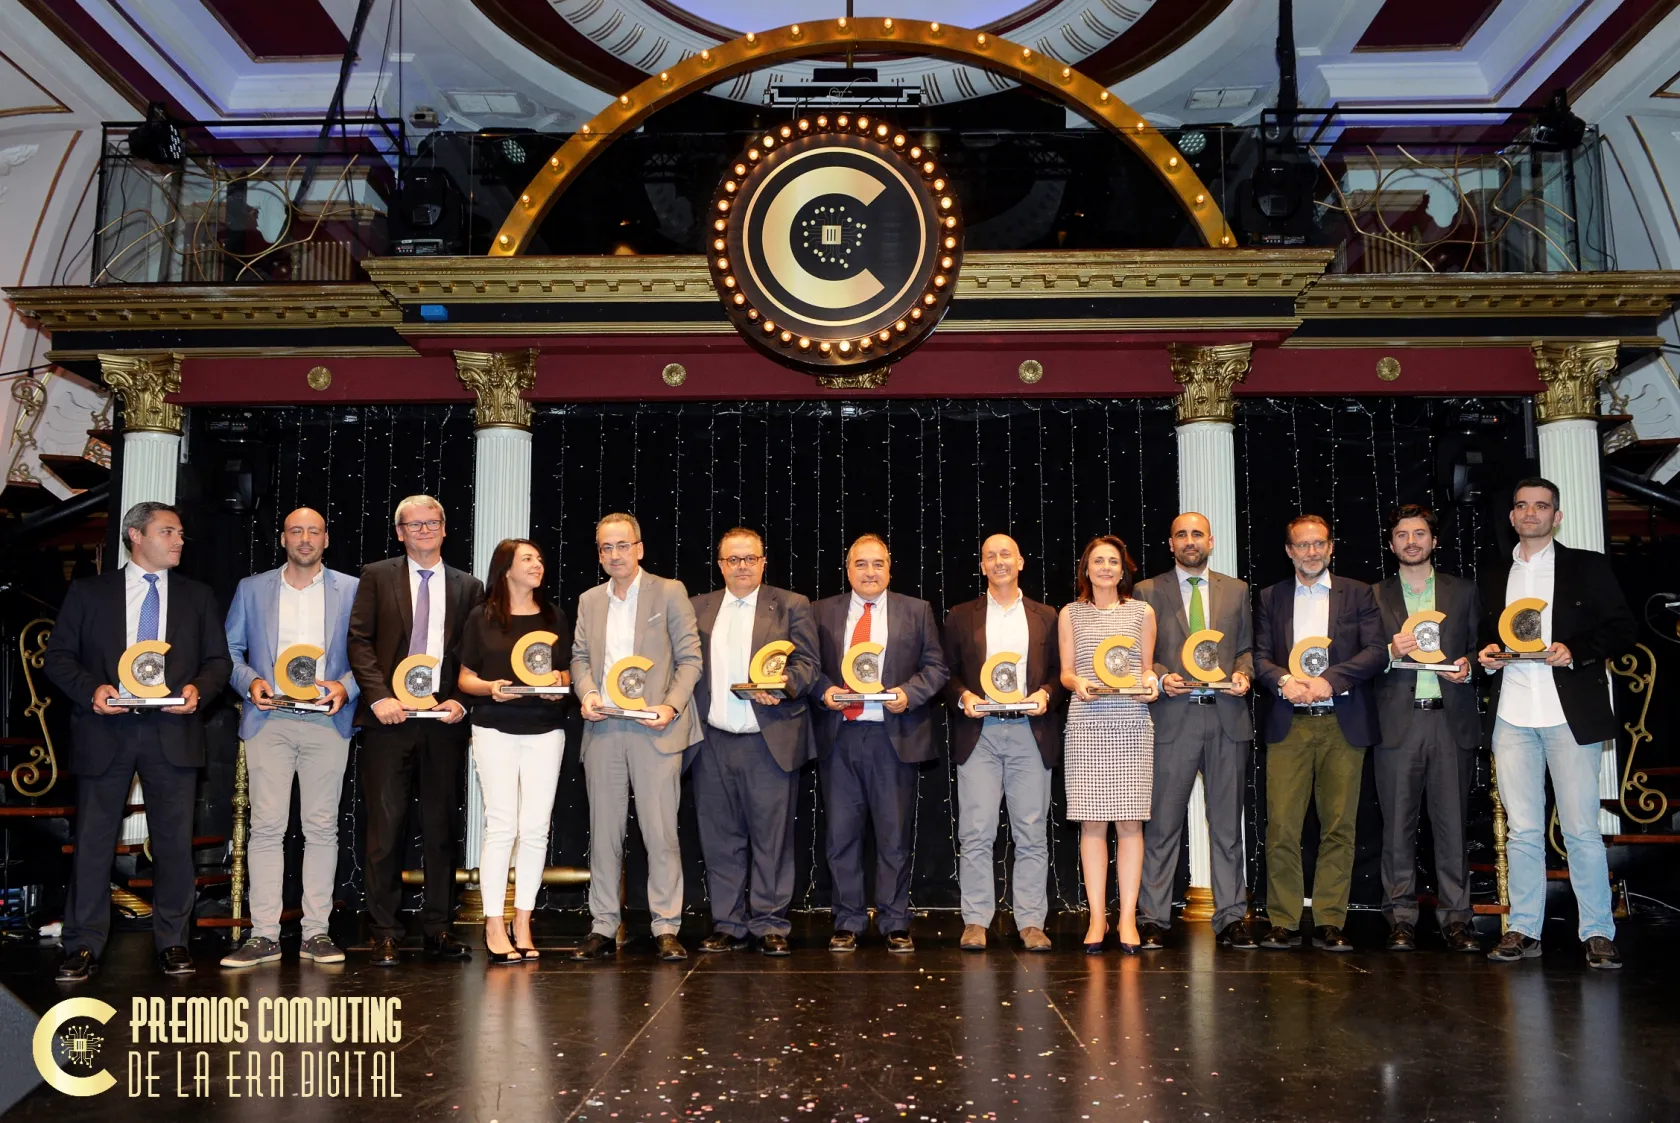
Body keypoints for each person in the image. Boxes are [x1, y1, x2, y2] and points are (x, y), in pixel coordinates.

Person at [45, 502, 232, 980]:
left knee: (173, 843)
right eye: (168, 531)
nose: (179, 541)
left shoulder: (197, 595)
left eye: (181, 533)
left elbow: (218, 661)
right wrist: (93, 691)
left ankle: (173, 941)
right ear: (135, 536)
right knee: (93, 842)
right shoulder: (89, 593)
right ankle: (82, 944)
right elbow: (59, 657)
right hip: (105, 729)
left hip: (172, 729)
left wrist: (199, 690)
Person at [1477, 478, 1637, 969]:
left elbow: (1623, 629)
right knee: (1523, 830)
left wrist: (1576, 652)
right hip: (1513, 716)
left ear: (1557, 516)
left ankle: (1598, 932)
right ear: (1512, 517)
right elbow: (1484, 636)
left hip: (1570, 716)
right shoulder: (1493, 572)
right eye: (1522, 505)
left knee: (1581, 831)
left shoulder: (1585, 565)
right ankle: (1524, 929)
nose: (1531, 513)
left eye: (1541, 506)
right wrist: (1484, 657)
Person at [347, 494, 484, 967]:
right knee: (385, 830)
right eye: (414, 524)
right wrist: (379, 696)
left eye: (432, 522)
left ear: (445, 529)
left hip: (443, 724)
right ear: (399, 532)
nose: (424, 530)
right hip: (389, 721)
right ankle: (385, 930)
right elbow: (359, 641)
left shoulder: (470, 586)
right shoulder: (377, 576)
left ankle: (438, 928)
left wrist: (462, 701)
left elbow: (476, 651)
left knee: (442, 829)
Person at [220, 507, 359, 968]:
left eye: (313, 531)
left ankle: (316, 933)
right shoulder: (252, 588)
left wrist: (347, 686)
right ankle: (263, 935)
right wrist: (249, 682)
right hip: (270, 718)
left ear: (326, 539)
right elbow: (229, 650)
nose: (304, 539)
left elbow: (369, 651)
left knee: (321, 828)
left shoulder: (353, 589)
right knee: (266, 829)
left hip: (326, 719)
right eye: (296, 531)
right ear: (283, 538)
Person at [570, 513, 703, 963]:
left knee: (660, 832)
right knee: (605, 833)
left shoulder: (669, 592)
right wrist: (586, 693)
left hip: (656, 730)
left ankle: (666, 926)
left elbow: (690, 659)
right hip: (604, 727)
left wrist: (670, 706)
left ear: (639, 548)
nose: (614, 555)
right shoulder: (589, 600)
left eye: (622, 546)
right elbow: (579, 658)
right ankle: (604, 926)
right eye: (606, 548)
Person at [1253, 514, 1386, 953]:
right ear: (1289, 550)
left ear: (1331, 548)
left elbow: (1374, 651)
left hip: (1341, 721)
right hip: (1288, 724)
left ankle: (1331, 919)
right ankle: (1284, 921)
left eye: (1319, 544)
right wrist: (1281, 681)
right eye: (1301, 545)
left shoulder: (1358, 592)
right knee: (1283, 828)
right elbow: (1258, 654)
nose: (1311, 552)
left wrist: (1332, 679)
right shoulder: (1271, 597)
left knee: (1339, 827)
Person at [812, 534, 949, 953]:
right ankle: (848, 919)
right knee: (841, 835)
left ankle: (894, 920)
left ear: (890, 569)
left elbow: (937, 667)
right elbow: (807, 666)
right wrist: (824, 691)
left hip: (893, 737)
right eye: (861, 564)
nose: (869, 572)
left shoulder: (917, 610)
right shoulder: (821, 612)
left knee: (893, 835)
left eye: (877, 564)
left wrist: (909, 693)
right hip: (841, 736)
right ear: (847, 569)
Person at [689, 528, 819, 956]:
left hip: (769, 739)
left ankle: (770, 923)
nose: (741, 566)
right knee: (719, 838)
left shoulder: (791, 605)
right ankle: (727, 923)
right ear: (720, 564)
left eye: (750, 559)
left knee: (772, 837)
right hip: (712, 741)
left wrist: (784, 686)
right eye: (732, 559)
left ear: (764, 562)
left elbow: (807, 663)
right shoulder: (697, 608)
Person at [1134, 512, 1256, 951]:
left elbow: (1245, 649)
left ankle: (1231, 917)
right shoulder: (1147, 591)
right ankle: (1152, 917)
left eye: (1197, 534)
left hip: (1226, 715)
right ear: (1170, 543)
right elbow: (1140, 652)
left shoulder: (1237, 590)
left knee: (1226, 827)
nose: (1190, 541)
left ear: (1212, 539)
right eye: (1181, 534)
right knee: (1163, 825)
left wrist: (1243, 674)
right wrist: (1162, 676)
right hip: (1174, 717)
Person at [942, 534, 1061, 953]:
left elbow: (1057, 673)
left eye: (1006, 554)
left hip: (1030, 732)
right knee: (976, 831)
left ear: (1021, 561)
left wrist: (1046, 694)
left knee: (1031, 831)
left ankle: (1030, 921)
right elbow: (947, 672)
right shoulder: (960, 615)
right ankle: (976, 919)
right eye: (990, 556)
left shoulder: (1047, 615)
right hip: (982, 733)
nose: (999, 561)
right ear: (982, 566)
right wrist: (963, 696)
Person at [1372, 504, 1482, 954]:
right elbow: (1358, 659)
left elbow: (1478, 648)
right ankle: (1401, 917)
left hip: (1449, 718)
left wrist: (1469, 667)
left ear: (1434, 541)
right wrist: (1386, 648)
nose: (1411, 541)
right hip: (1398, 722)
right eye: (1402, 535)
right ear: (1392, 543)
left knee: (1452, 825)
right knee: (1397, 826)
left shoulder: (1464, 592)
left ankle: (1456, 917)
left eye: (1420, 533)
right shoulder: (1373, 595)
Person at [457, 538, 571, 964]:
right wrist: (491, 689)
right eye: (528, 559)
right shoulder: (481, 617)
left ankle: (523, 919)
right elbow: (465, 678)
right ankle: (494, 922)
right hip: (494, 728)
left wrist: (558, 683)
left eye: (540, 559)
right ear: (505, 568)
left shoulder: (553, 615)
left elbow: (565, 672)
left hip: (545, 730)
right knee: (501, 825)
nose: (538, 565)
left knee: (536, 828)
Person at [1059, 535, 1159, 954]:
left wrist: (1150, 686)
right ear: (1086, 569)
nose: (1104, 568)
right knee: (1092, 824)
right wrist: (1076, 682)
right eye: (1097, 561)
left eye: (1112, 562)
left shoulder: (1142, 612)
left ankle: (1127, 919)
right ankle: (1097, 917)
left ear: (1123, 570)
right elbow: (1065, 671)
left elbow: (1148, 670)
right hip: (1087, 726)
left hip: (1132, 724)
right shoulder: (1071, 614)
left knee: (1131, 823)